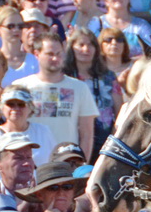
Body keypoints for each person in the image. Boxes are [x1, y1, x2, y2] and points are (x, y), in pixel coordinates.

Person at [15, 31, 97, 160]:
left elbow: (87, 134)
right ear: (37, 54)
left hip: (67, 161)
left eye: (59, 54)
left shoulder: (80, 87)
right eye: (50, 54)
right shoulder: (21, 87)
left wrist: (81, 164)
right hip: (31, 161)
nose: (55, 59)